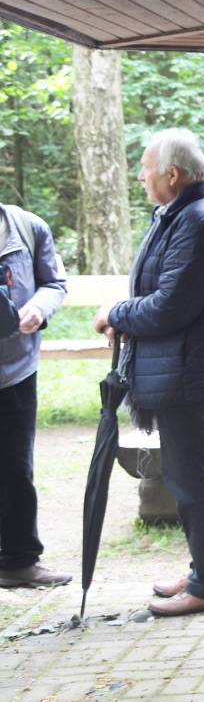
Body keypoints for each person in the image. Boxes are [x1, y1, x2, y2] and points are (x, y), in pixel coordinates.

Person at [93, 130, 204, 616]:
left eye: (145, 167)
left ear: (173, 174)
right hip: (186, 371)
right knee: (190, 478)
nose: (140, 176)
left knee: (195, 480)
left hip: (191, 376)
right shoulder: (183, 217)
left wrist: (116, 313)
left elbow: (170, 307)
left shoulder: (198, 223)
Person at [0, 200, 68, 590]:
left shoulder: (28, 227)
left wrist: (38, 310)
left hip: (16, 371)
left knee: (15, 469)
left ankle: (18, 561)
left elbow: (54, 283)